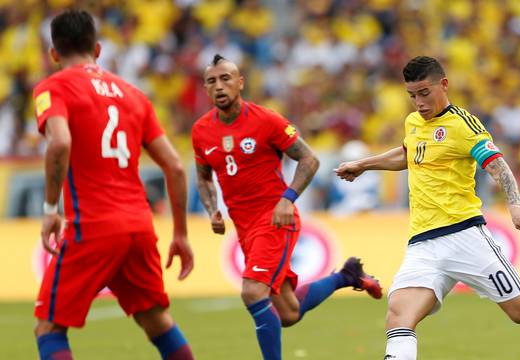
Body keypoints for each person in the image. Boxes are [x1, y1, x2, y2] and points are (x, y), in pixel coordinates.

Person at [335, 56, 520, 360]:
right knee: (398, 317)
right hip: (422, 243)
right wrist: (364, 165)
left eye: (424, 93)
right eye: (412, 96)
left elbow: (497, 165)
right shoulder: (414, 123)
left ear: (443, 85)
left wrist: (515, 204)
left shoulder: (463, 124)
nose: (418, 103)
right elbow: (409, 155)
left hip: (464, 236)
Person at [191, 54, 382, 360]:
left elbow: (309, 158)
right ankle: (346, 276)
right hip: (244, 226)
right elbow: (203, 177)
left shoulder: (266, 120)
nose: (219, 86)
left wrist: (287, 199)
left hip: (276, 217)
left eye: (226, 78)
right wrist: (212, 208)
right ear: (205, 88)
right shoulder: (201, 131)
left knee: (253, 291)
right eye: (212, 81)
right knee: (289, 313)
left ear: (240, 83)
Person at [33, 10, 194, 360]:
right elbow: (177, 167)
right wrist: (180, 234)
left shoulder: (53, 87)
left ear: (54, 53)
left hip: (92, 225)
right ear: (99, 49)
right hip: (138, 224)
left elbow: (59, 143)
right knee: (155, 319)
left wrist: (49, 210)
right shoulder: (134, 95)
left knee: (48, 328)